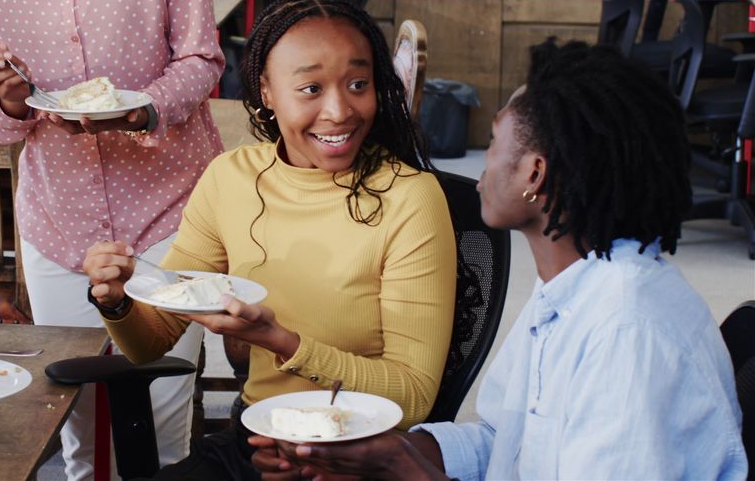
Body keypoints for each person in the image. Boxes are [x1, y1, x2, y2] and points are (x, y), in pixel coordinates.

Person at [252, 39, 749, 480]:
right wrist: (379, 450)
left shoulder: (627, 333)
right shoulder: (572, 288)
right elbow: (504, 442)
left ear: (534, 174)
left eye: (492, 144)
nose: (482, 164)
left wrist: (408, 473)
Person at [83, 0, 458, 480]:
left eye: (358, 83)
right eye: (310, 89)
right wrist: (117, 301)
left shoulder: (411, 198)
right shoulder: (230, 178)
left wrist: (282, 342)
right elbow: (152, 341)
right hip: (255, 441)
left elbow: (411, 396)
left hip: (357, 457)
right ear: (267, 92)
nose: (339, 110)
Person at [0, 0, 225, 477]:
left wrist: (140, 108)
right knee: (77, 426)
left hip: (172, 209)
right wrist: (10, 98)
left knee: (161, 424)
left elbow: (201, 59)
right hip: (59, 220)